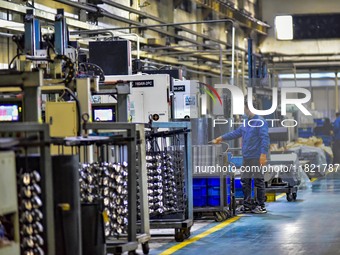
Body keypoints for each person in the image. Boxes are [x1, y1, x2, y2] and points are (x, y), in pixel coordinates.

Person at [212, 98, 270, 214]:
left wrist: (263, 154)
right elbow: (236, 133)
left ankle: (261, 205)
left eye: (244, 108)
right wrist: (221, 138)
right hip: (247, 157)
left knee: (258, 181)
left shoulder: (260, 122)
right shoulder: (246, 122)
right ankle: (247, 204)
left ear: (249, 108)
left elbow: (265, 139)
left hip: (256, 157)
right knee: (245, 181)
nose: (243, 110)